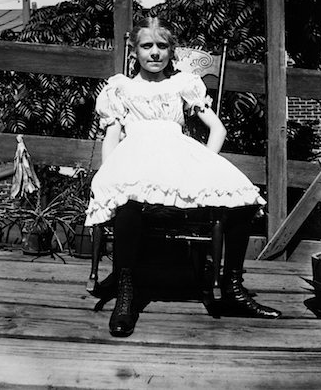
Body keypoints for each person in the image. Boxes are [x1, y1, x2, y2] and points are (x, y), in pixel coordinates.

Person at [85, 17, 281, 337]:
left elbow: (217, 129)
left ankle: (232, 288)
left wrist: (204, 163)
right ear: (134, 50)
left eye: (162, 46)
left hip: (178, 154)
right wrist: (110, 172)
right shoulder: (120, 87)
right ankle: (126, 293)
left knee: (243, 196)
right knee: (126, 198)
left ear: (171, 51)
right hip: (135, 154)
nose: (155, 53)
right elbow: (112, 135)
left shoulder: (183, 84)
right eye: (147, 46)